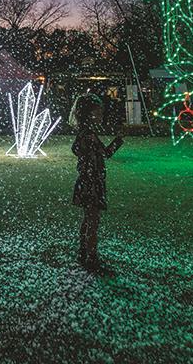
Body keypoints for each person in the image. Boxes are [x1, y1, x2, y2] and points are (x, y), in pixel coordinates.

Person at [71, 93, 123, 271]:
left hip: (91, 181)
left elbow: (105, 153)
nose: (101, 116)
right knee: (92, 220)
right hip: (91, 182)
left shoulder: (88, 134)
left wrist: (118, 140)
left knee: (89, 219)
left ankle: (84, 251)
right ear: (88, 114)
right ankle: (90, 255)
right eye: (98, 113)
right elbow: (84, 151)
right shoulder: (88, 136)